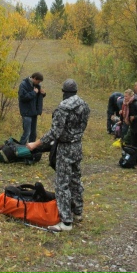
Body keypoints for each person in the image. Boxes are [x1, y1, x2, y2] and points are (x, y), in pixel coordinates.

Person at [27, 79, 90, 232]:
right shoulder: (84, 105)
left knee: (62, 184)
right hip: (78, 146)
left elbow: (55, 132)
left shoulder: (63, 108)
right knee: (75, 179)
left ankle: (66, 222)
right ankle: (77, 212)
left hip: (66, 148)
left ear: (64, 92)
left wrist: (35, 144)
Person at [18, 72, 46, 145]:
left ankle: (31, 148)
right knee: (27, 133)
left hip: (34, 112)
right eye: (38, 81)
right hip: (26, 112)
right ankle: (20, 148)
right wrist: (33, 92)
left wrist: (43, 94)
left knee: (33, 134)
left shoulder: (37, 86)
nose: (39, 83)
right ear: (35, 78)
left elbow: (37, 97)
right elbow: (23, 97)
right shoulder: (23, 84)